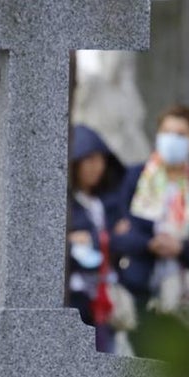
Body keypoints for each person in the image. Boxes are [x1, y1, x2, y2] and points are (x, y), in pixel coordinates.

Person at [112, 104, 189, 352]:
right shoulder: (136, 177)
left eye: (181, 134)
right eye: (166, 132)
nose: (172, 139)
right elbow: (119, 235)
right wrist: (149, 244)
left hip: (188, 291)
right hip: (141, 285)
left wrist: (182, 247)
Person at [66, 125, 126, 353]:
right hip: (78, 298)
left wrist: (93, 238)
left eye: (100, 160)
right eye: (89, 160)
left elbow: (126, 238)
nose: (96, 167)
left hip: (109, 295)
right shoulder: (67, 205)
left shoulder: (108, 202)